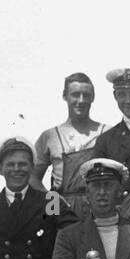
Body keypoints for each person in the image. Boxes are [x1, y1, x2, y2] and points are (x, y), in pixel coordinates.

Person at [32, 73, 109, 219]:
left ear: (93, 97)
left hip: (98, 208)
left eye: (86, 95)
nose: (81, 100)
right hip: (61, 207)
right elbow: (32, 177)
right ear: (64, 96)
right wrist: (51, 202)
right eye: (75, 95)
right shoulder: (49, 136)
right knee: (54, 239)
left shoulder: (107, 132)